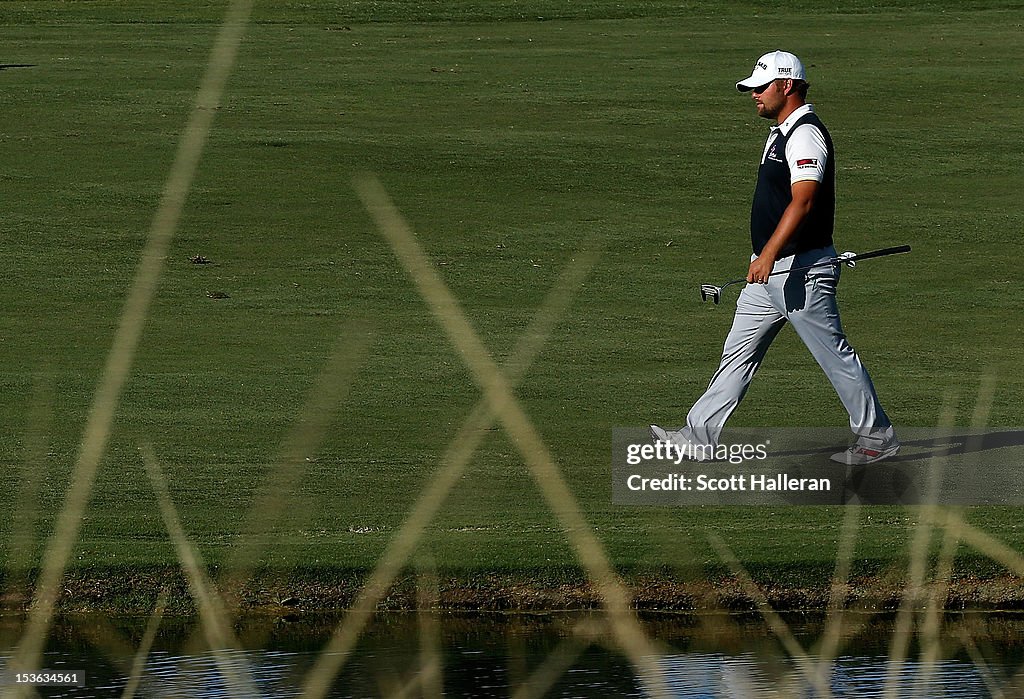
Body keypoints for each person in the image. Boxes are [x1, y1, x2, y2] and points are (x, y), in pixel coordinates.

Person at [650, 50, 900, 465]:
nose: (753, 95)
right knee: (738, 353)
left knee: (833, 355)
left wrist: (767, 255)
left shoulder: (805, 134)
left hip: (799, 270)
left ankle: (877, 437)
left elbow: (802, 203)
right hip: (769, 272)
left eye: (760, 87)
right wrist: (763, 257)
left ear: (787, 86)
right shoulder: (780, 133)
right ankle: (699, 435)